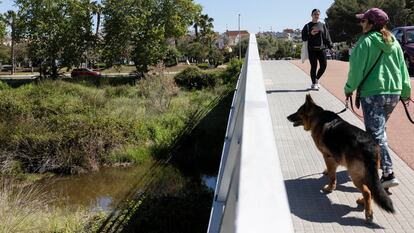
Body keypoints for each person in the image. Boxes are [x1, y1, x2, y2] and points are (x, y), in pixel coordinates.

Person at [344, 8, 412, 188]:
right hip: (393, 93)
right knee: (380, 130)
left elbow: (356, 70)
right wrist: (406, 92)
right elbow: (403, 70)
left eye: (363, 21)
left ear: (371, 24)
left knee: (376, 134)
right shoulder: (394, 42)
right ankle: (380, 164)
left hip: (373, 93)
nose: (361, 23)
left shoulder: (365, 42)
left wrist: (349, 88)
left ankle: (388, 173)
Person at [301, 9, 333, 90]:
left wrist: (330, 46)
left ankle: (316, 79)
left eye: (318, 14)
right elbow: (303, 38)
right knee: (314, 67)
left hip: (321, 49)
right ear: (311, 15)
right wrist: (310, 34)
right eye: (315, 14)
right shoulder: (307, 26)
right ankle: (314, 83)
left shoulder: (322, 25)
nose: (317, 16)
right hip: (312, 50)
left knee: (324, 65)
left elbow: (327, 37)